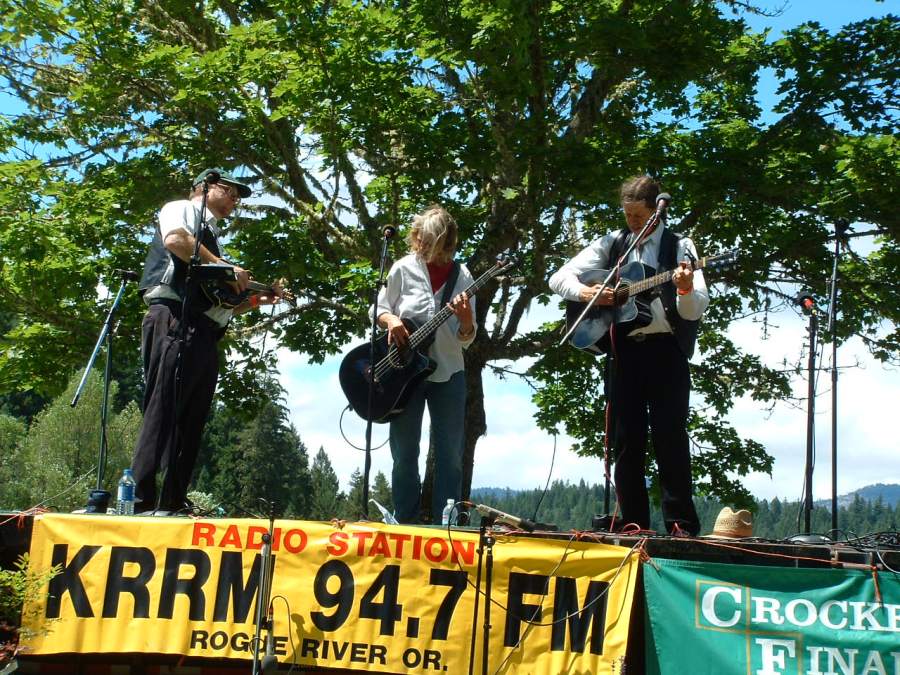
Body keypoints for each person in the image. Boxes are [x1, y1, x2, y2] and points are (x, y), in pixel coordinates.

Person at [548, 175, 708, 535]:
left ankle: (680, 523)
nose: (632, 223)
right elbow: (557, 278)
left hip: (667, 349)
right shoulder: (613, 243)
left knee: (670, 436)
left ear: (657, 211)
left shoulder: (680, 247)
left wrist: (684, 289)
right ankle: (632, 521)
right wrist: (587, 293)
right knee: (626, 439)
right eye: (628, 215)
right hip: (624, 351)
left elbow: (695, 309)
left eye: (638, 216)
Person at [132, 168, 282, 514]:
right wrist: (225, 268)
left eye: (239, 197)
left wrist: (257, 299)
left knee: (193, 417)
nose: (235, 200)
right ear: (207, 186)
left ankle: (172, 500)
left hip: (202, 330)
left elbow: (219, 305)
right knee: (163, 407)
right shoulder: (181, 209)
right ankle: (139, 501)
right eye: (230, 191)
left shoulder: (213, 240)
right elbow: (175, 240)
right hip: (173, 317)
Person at [374, 205, 477, 524]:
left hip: (449, 373)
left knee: (450, 455)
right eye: (427, 244)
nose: (433, 252)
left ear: (449, 243)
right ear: (417, 238)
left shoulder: (463, 276)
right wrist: (390, 319)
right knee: (404, 452)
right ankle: (404, 520)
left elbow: (467, 339)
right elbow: (378, 307)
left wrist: (465, 320)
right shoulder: (402, 269)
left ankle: (445, 525)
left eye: (440, 246)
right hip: (406, 374)